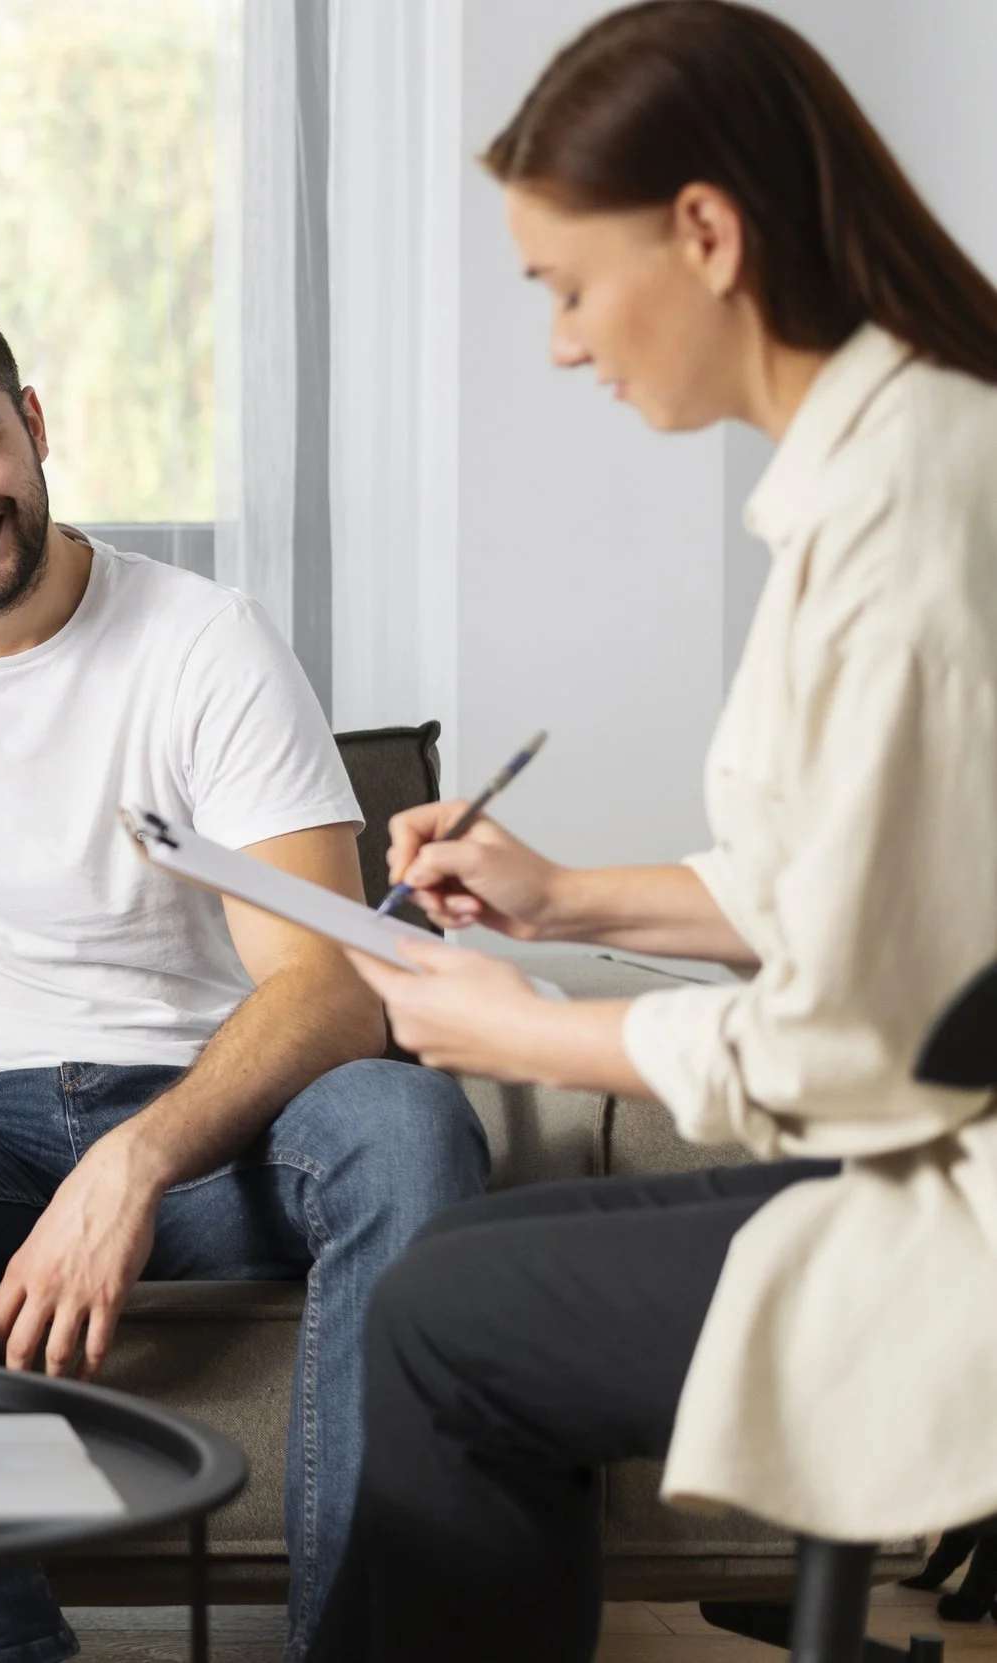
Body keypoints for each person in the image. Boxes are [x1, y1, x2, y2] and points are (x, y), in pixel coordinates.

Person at [308, 6, 997, 1659]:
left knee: (440, 1317)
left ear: (705, 230)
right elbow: (873, 898)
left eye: (563, 283)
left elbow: (866, 1025)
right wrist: (560, 894)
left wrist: (543, 1034)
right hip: (928, 1147)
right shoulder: (892, 460)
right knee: (467, 1260)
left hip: (956, 1214)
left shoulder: (910, 511)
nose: (557, 340)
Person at [0, 278, 487, 1662]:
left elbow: (328, 980)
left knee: (411, 1119)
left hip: (217, 1123)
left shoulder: (205, 641)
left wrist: (131, 1161)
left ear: (32, 421)